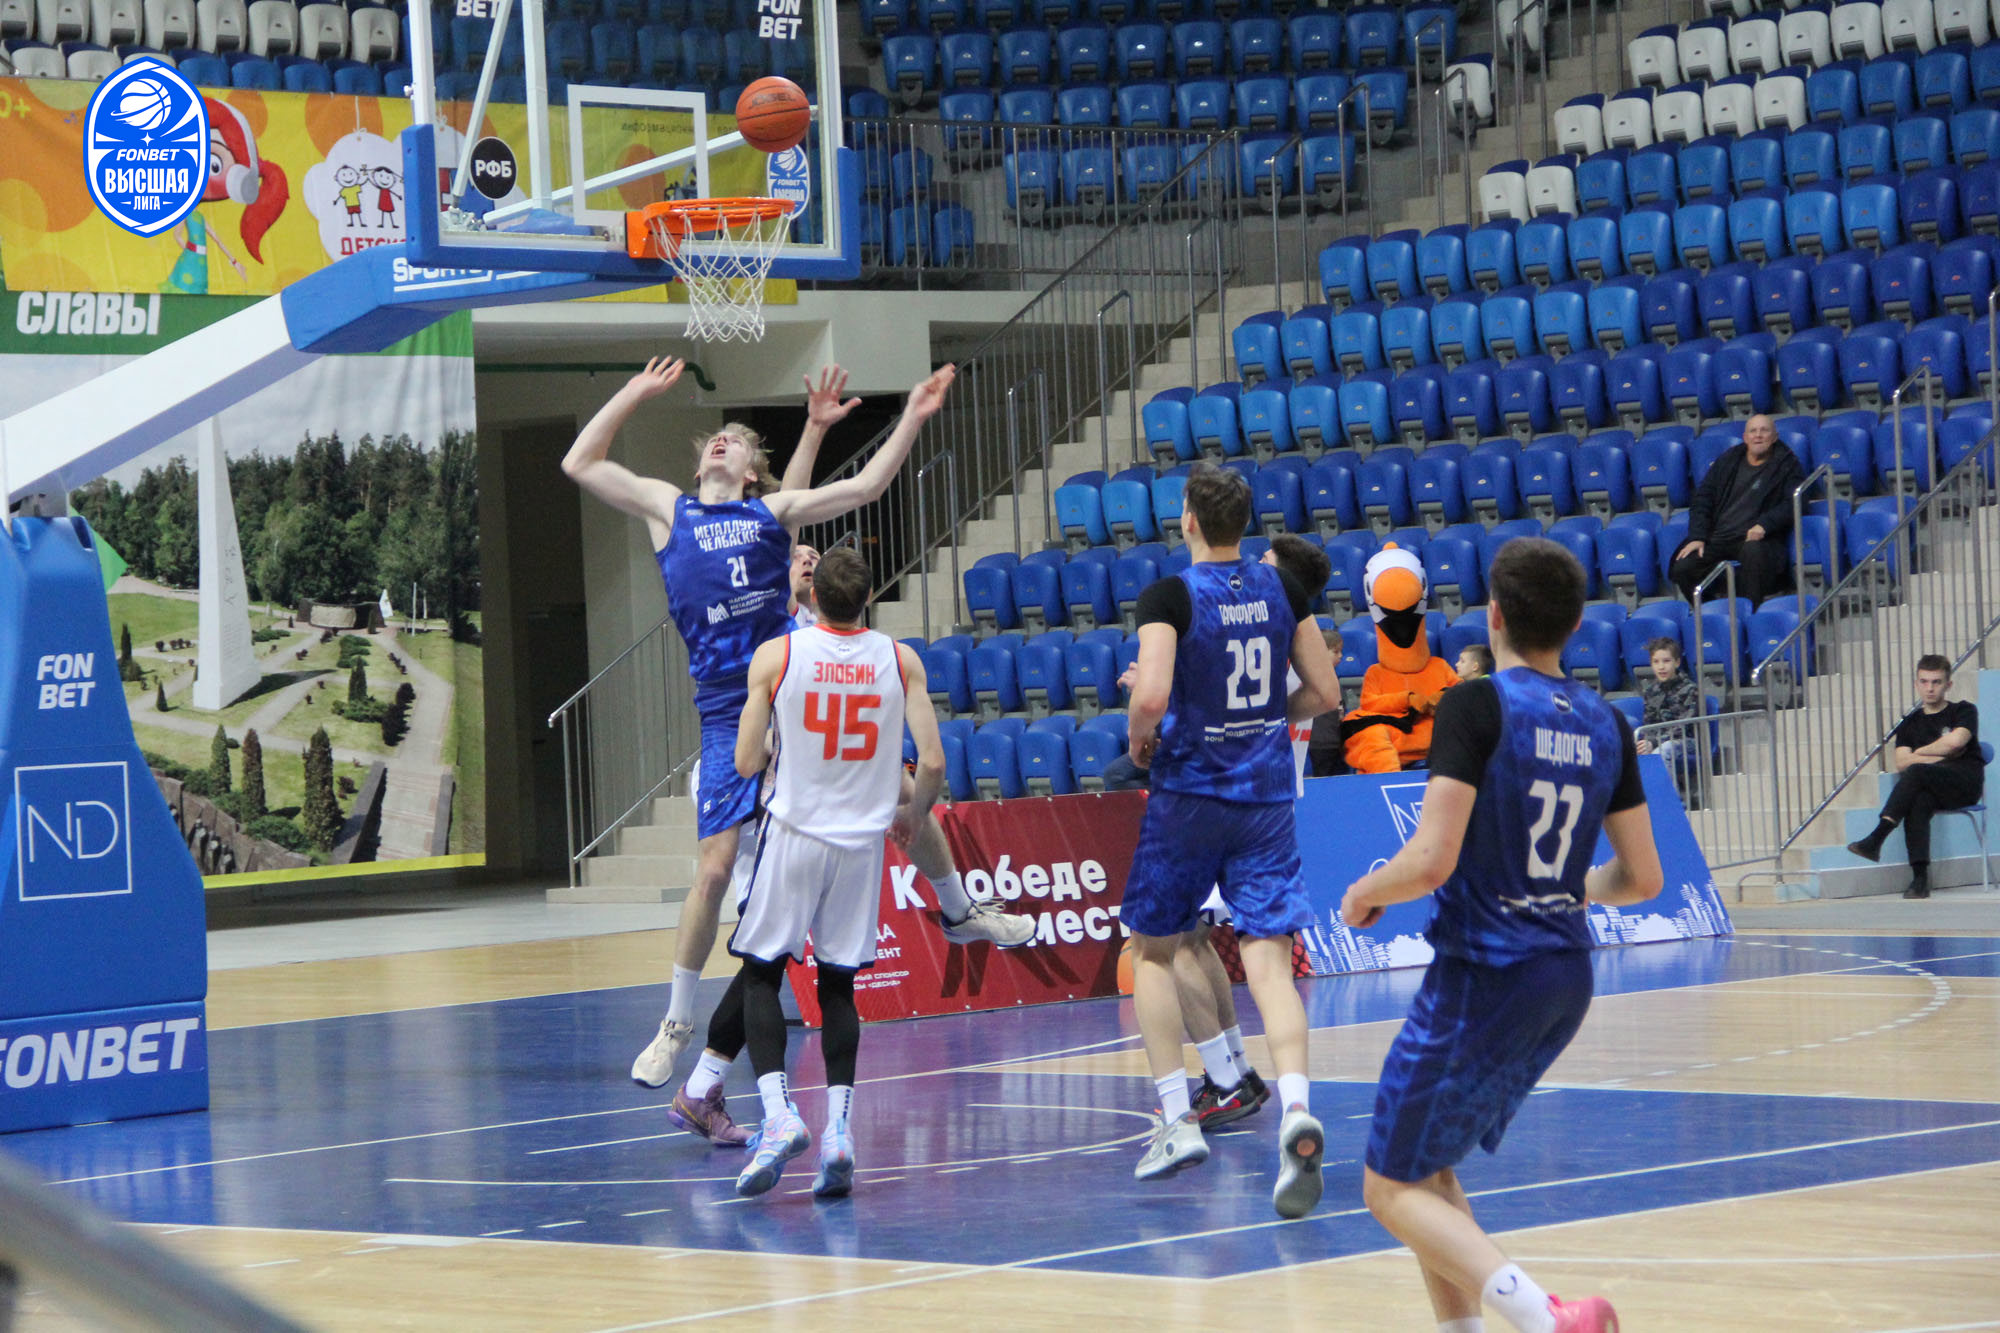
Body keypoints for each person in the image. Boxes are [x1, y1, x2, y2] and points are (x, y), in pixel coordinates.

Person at [563, 359, 1021, 1096]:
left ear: (751, 472)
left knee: (902, 789)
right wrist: (634, 392)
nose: (722, 441)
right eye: (714, 438)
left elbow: (865, 487)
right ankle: (676, 1023)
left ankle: (959, 907)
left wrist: (912, 414)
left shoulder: (767, 516)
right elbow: (579, 462)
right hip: (725, 709)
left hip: (792, 690)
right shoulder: (669, 509)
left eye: (738, 439)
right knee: (714, 869)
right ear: (702, 466)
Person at [1338, 536, 1664, 1333]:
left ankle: (1549, 1319)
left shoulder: (1476, 703)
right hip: (1566, 975)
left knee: (1388, 1186)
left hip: (1486, 971)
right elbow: (1643, 880)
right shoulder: (1607, 722)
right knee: (1428, 1165)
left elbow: (1431, 859)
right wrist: (1567, 888)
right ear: (1577, 624)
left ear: (1493, 614)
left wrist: (1363, 892)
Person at [1121, 466, 1340, 1219]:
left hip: (1190, 793)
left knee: (1153, 950)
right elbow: (1325, 693)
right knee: (1269, 960)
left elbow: (1153, 694)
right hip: (1266, 797)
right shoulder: (1284, 589)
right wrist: (1263, 719)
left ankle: (1176, 1119)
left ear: (1187, 519)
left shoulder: (1169, 595)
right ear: (1244, 522)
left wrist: (1142, 732)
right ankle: (1296, 1107)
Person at [707, 548, 944, 1198]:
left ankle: (780, 1115)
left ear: (813, 597)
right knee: (839, 986)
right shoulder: (900, 659)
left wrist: (777, 739)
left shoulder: (777, 656)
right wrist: (914, 815)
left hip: (794, 834)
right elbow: (932, 762)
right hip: (861, 845)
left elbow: (746, 760)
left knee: (762, 972)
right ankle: (838, 1131)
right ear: (868, 598)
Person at [1846, 655, 1984, 900]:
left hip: (1964, 783)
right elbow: (1901, 763)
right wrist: (1941, 753)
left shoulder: (1963, 710)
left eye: (1936, 682)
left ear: (1948, 685)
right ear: (1916, 684)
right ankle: (1920, 879)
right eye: (1924, 681)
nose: (1930, 688)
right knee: (1918, 799)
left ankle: (1878, 836)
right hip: (1932, 786)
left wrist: (1918, 754)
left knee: (1917, 771)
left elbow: (1955, 742)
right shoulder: (1909, 723)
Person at [1668, 414, 1806, 607]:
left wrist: (1765, 524)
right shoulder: (1729, 459)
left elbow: (1795, 501)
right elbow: (1703, 498)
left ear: (1775, 437)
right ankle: (1709, 611)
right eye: (1753, 431)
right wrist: (1698, 536)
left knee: (1753, 553)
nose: (1758, 435)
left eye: (1764, 430)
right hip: (1719, 536)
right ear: (1745, 437)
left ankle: (1749, 613)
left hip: (1757, 539)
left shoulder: (1787, 464)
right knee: (1683, 566)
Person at [1635, 636, 1702, 805]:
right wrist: (1647, 742)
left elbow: (1682, 726)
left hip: (1687, 740)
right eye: (1656, 662)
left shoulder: (1690, 689)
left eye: (1666, 661)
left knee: (1662, 751)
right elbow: (1649, 724)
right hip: (1659, 741)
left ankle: (1673, 804)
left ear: (1677, 662)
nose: (1661, 667)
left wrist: (1654, 742)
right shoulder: (1651, 692)